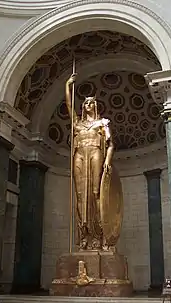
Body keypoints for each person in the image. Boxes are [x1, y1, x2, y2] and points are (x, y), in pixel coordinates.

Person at [66, 73, 114, 250]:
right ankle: (83, 235)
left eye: (91, 102)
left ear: (96, 105)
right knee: (80, 195)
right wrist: (67, 84)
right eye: (85, 102)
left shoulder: (102, 123)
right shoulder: (77, 124)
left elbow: (110, 144)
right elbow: (69, 105)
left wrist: (108, 160)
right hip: (79, 154)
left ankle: (98, 235)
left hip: (95, 152)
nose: (88, 104)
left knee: (95, 193)